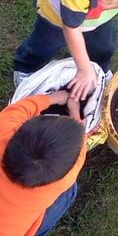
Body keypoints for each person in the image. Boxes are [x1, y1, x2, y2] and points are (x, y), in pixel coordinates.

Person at [0, 91, 86, 236]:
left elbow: (21, 109)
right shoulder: (63, 180)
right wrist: (75, 112)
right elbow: (81, 145)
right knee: (70, 190)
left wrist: (52, 98)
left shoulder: (4, 130)